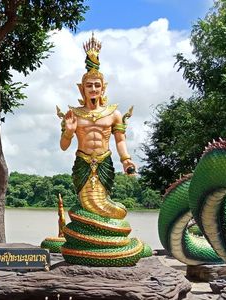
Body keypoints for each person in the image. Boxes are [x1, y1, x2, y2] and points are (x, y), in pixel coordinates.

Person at [56, 34, 150, 266]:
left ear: (103, 87)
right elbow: (64, 145)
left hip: (105, 162)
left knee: (111, 207)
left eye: (97, 85)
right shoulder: (74, 115)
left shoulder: (113, 114)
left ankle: (108, 243)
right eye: (89, 85)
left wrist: (126, 160)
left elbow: (119, 140)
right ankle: (92, 243)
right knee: (88, 204)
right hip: (83, 163)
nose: (93, 89)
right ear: (82, 88)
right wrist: (68, 131)